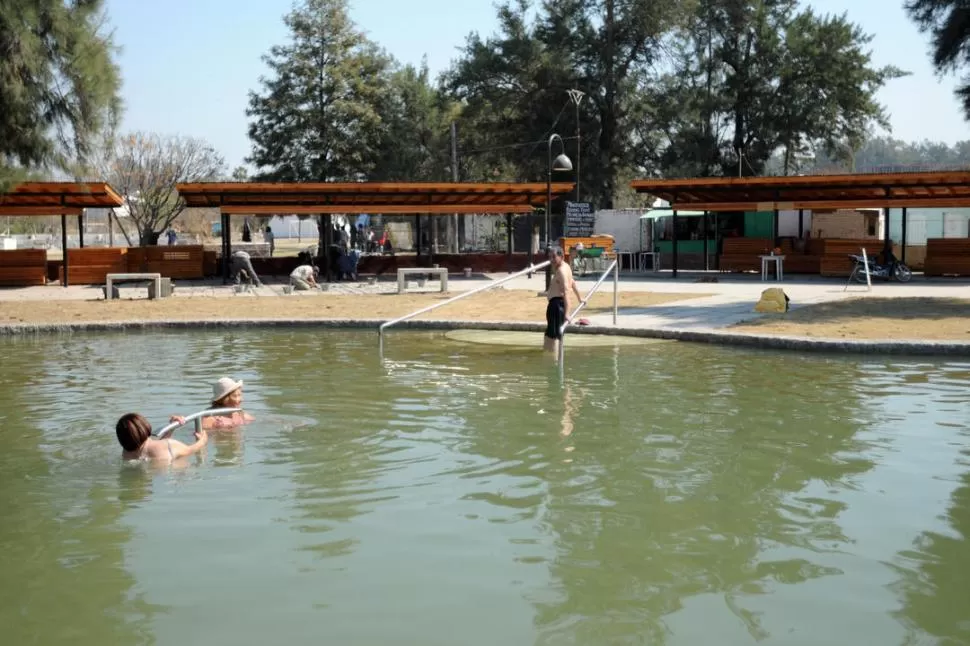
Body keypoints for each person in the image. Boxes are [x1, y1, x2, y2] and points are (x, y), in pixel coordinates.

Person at [116, 412, 207, 462]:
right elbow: (191, 450)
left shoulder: (126, 453)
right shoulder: (169, 445)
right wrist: (202, 440)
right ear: (144, 426)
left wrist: (171, 428)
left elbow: (149, 448)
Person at [543, 246, 584, 354]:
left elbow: (566, 292)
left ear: (561, 256)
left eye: (554, 257)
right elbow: (573, 282)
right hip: (556, 304)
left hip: (556, 306)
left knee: (553, 336)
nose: (551, 260)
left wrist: (567, 313)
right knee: (551, 333)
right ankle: (549, 355)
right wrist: (580, 298)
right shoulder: (566, 266)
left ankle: (552, 360)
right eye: (549, 257)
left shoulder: (561, 270)